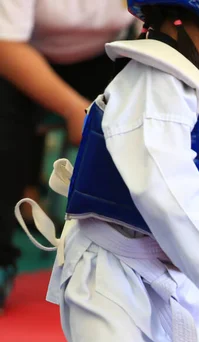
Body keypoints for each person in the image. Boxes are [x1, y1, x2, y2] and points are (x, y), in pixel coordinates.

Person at [15, 0, 199, 342]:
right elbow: (163, 181)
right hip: (112, 273)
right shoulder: (152, 82)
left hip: (178, 269)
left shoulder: (197, 81)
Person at [0, 0, 136, 311]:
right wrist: (75, 109)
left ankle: (135, 262)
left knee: (146, 114)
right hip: (23, 55)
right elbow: (5, 43)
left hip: (108, 56)